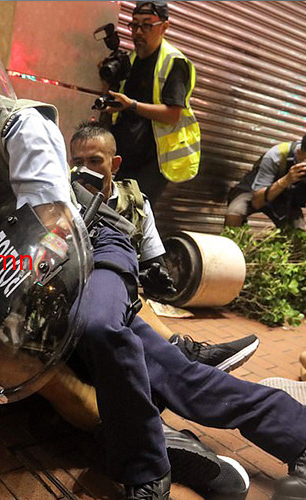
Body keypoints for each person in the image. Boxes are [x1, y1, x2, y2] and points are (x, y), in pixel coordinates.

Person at [0, 17, 306, 499]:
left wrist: (20, 315)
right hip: (35, 268)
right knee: (170, 372)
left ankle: (145, 470)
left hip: (90, 242)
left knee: (99, 327)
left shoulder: (24, 128)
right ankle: (294, 432)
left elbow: (53, 232)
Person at [70, 122, 260, 373]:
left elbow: (153, 261)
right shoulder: (63, 199)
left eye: (95, 161)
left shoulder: (136, 203)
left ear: (114, 165)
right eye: (78, 162)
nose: (86, 170)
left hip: (119, 300)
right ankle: (184, 352)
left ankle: (184, 359)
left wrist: (152, 279)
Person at [103, 0, 201, 204]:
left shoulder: (174, 62)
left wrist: (132, 105)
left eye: (147, 25)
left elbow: (173, 114)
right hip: (125, 153)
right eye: (134, 25)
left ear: (164, 27)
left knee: (135, 211)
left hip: (155, 159)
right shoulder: (131, 60)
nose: (138, 32)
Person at [225, 134, 306, 229]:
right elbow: (256, 202)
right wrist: (286, 180)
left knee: (298, 229)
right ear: (299, 153)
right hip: (254, 190)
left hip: (284, 197)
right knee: (235, 212)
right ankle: (231, 237)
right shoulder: (276, 155)